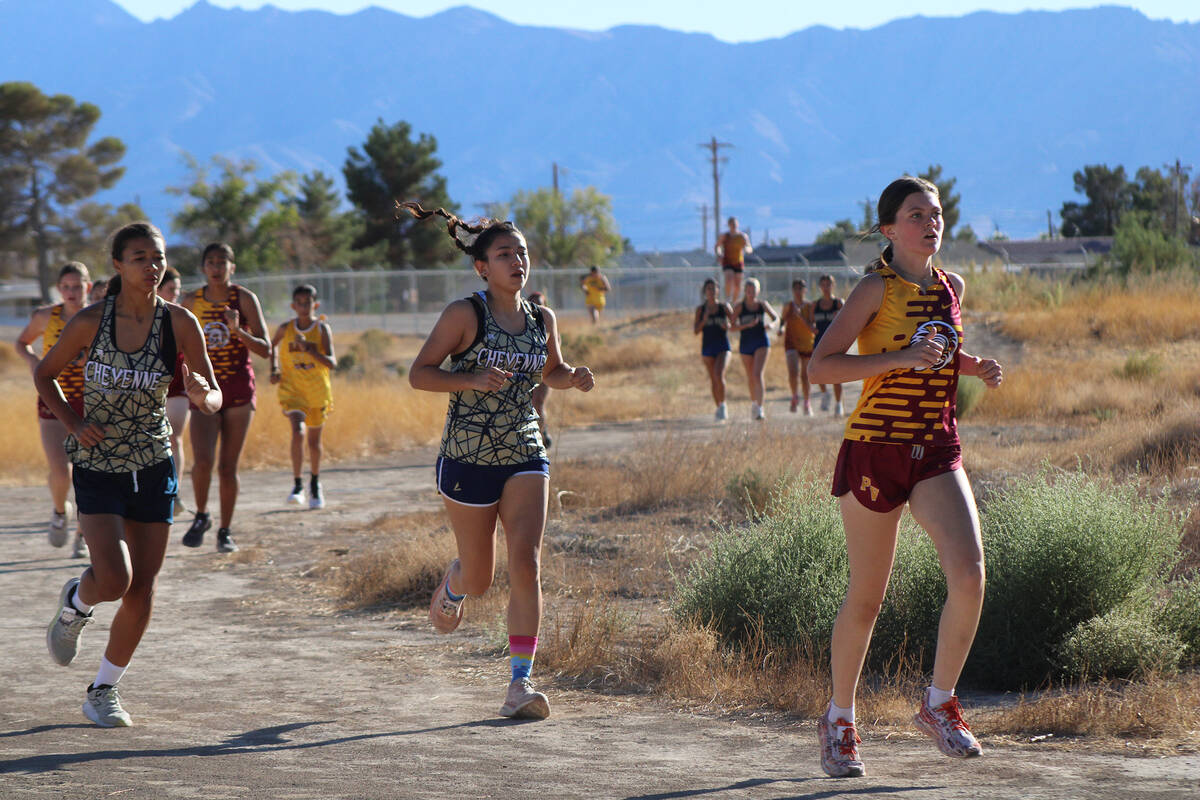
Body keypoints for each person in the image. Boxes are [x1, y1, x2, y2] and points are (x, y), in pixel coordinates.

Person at [809, 177, 1003, 778]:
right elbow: (821, 367)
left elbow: (938, 350)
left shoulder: (952, 286)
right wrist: (894, 360)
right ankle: (840, 719)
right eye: (917, 215)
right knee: (867, 598)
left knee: (970, 575)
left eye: (936, 213)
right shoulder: (875, 289)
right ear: (890, 229)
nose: (931, 223)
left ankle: (939, 702)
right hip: (875, 448)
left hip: (937, 448)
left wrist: (972, 366)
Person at [401, 201, 594, 720]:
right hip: (467, 458)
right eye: (505, 253)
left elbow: (549, 370)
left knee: (526, 561)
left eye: (523, 252)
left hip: (525, 452)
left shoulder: (541, 317)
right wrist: (470, 378)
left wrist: (570, 376)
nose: (518, 260)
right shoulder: (466, 315)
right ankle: (456, 581)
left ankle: (519, 682)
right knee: (483, 577)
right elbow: (420, 374)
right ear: (482, 266)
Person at [37, 221, 221, 728]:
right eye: (139, 257)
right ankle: (76, 603)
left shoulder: (180, 322)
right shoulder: (92, 321)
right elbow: (44, 374)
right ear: (117, 265)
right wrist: (73, 422)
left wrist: (205, 396)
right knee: (113, 579)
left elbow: (209, 387)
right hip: (98, 465)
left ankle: (103, 690)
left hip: (153, 463)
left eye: (157, 257)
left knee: (143, 588)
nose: (151, 266)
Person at [180, 243, 271, 553]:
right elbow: (174, 339)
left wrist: (238, 331)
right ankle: (202, 515)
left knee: (227, 468)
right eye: (211, 262)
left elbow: (266, 349)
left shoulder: (243, 298)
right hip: (204, 387)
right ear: (203, 268)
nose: (216, 267)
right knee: (202, 462)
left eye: (223, 262)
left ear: (232, 267)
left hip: (238, 388)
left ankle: (225, 530)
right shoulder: (191, 300)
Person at [16, 262, 93, 556]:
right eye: (66, 287)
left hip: (91, 405)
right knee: (62, 473)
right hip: (54, 400)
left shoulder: (98, 316)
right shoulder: (46, 316)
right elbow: (22, 343)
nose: (73, 292)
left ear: (87, 287)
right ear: (59, 290)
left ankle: (83, 536)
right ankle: (60, 512)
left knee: (89, 475)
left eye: (78, 286)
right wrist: (35, 363)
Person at [269, 284, 336, 510]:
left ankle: (315, 483)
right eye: (299, 303)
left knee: (314, 444)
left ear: (315, 305)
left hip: (317, 393)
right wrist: (274, 370)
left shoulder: (321, 329)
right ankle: (297, 485)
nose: (304, 307)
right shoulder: (285, 328)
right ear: (293, 306)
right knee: (298, 432)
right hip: (292, 391)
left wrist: (310, 350)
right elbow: (272, 346)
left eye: (308, 303)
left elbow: (332, 363)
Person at [157, 266, 191, 516]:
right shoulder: (142, 316)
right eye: (171, 290)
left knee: (174, 437)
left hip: (177, 386)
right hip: (147, 387)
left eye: (178, 290)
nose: (176, 295)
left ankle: (174, 492)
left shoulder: (183, 317)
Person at [729, 277, 777, 421]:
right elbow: (731, 327)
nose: (751, 293)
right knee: (751, 377)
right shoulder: (739, 307)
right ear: (745, 291)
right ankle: (754, 404)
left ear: (758, 291)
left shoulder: (762, 305)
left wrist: (772, 325)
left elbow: (776, 318)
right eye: (748, 290)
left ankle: (760, 408)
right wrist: (746, 326)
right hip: (745, 344)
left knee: (757, 374)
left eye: (754, 290)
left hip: (761, 342)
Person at [693, 277, 733, 421]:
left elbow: (735, 324)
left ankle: (723, 406)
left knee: (719, 374)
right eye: (708, 288)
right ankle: (718, 407)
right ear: (705, 291)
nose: (711, 291)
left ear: (718, 290)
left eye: (713, 288)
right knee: (713, 379)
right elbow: (696, 331)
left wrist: (728, 326)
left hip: (723, 346)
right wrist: (704, 320)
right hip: (708, 347)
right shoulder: (701, 309)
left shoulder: (724, 307)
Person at [779, 279, 818, 415]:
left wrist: (800, 316)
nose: (798, 291)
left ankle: (807, 403)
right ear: (792, 290)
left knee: (804, 376)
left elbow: (813, 328)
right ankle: (795, 396)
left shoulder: (810, 306)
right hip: (791, 343)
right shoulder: (788, 306)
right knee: (793, 372)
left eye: (800, 288)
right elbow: (782, 321)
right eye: (795, 288)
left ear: (804, 290)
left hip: (807, 343)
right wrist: (781, 329)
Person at [812, 274, 845, 416]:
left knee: (836, 375)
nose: (826, 287)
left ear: (833, 285)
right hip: (819, 341)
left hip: (834, 342)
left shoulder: (838, 303)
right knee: (817, 371)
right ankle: (825, 393)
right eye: (823, 284)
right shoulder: (815, 305)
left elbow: (847, 322)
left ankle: (839, 405)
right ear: (820, 286)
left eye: (829, 284)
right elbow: (811, 325)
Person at [526, 291, 552, 446]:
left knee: (538, 401)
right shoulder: (519, 324)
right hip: (525, 372)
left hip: (544, 371)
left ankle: (542, 435)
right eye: (533, 304)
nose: (537, 307)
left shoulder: (549, 323)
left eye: (540, 304)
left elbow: (553, 351)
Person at [716, 216, 753, 302]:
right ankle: (727, 299)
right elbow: (717, 246)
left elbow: (748, 246)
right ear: (729, 225)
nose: (734, 225)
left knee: (738, 285)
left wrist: (747, 250)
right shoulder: (725, 236)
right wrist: (719, 254)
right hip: (727, 261)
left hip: (738, 262)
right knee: (729, 278)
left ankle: (734, 302)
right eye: (732, 224)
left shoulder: (742, 236)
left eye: (735, 223)